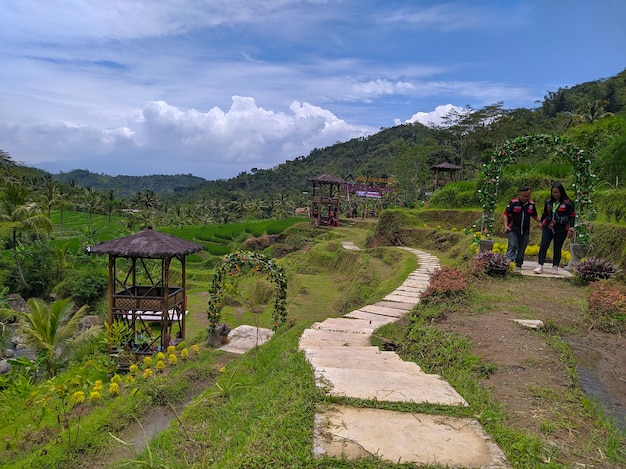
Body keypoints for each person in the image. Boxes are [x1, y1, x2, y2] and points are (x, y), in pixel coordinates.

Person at [534, 182, 576, 275]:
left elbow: (572, 216)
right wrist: (541, 222)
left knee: (557, 248)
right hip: (548, 227)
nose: (555, 194)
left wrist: (571, 228)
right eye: (553, 192)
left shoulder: (568, 203)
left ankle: (555, 266)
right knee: (544, 245)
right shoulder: (548, 202)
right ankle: (540, 265)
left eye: (557, 192)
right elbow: (545, 213)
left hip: (561, 229)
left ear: (561, 192)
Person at [503, 185, 539, 271]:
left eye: (528, 196)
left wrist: (542, 222)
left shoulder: (531, 205)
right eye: (524, 196)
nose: (526, 198)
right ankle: (509, 263)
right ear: (520, 195)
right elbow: (505, 214)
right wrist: (506, 226)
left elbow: (535, 216)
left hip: (525, 231)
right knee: (512, 245)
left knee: (522, 248)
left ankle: (518, 264)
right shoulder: (513, 203)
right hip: (513, 229)